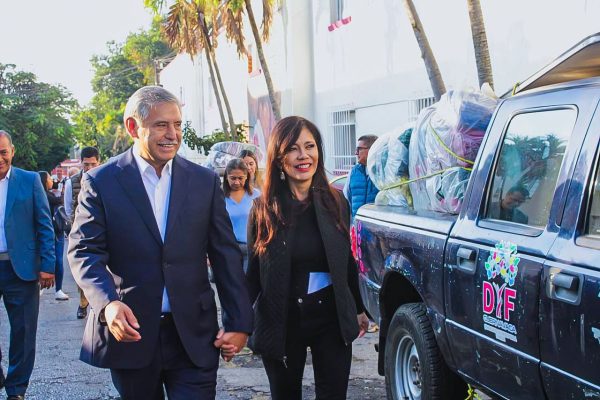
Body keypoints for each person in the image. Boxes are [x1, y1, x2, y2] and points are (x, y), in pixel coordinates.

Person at [68, 86, 253, 400]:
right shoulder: (101, 181)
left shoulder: (204, 181)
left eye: (177, 124)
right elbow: (84, 251)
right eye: (161, 125)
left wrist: (239, 322)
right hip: (132, 333)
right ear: (133, 127)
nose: (172, 134)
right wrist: (107, 304)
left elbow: (225, 255)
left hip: (194, 336)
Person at [246, 116, 369, 400]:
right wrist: (238, 324)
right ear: (279, 159)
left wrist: (359, 308)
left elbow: (345, 261)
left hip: (330, 317)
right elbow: (253, 273)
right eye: (292, 148)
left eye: (309, 146)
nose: (303, 156)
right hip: (283, 319)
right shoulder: (263, 210)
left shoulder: (336, 202)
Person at [0, 130, 55, 400]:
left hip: (20, 268)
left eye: (3, 152)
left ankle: (16, 389)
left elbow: (44, 224)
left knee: (23, 331)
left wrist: (48, 264)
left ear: (12, 151)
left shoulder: (29, 180)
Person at [64, 146, 100, 319]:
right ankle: (83, 302)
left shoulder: (106, 178)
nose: (89, 168)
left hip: (102, 231)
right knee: (83, 269)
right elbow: (68, 208)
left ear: (98, 162)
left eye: (93, 164)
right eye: (86, 164)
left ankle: (101, 305)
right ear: (81, 163)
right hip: (80, 233)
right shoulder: (72, 182)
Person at [223, 158, 261, 273]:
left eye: (240, 178)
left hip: (251, 248)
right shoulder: (219, 197)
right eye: (233, 178)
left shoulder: (256, 196)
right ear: (226, 177)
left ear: (246, 177)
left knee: (248, 281)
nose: (236, 182)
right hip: (228, 249)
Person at [38, 171, 69, 301]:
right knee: (58, 261)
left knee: (43, 260)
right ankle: (58, 289)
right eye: (50, 179)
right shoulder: (46, 195)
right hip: (55, 233)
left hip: (49, 233)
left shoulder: (40, 194)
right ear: (45, 181)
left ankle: (41, 288)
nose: (52, 181)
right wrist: (63, 191)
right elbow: (60, 200)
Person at [344, 134, 379, 220]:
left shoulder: (382, 172)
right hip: (357, 225)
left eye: (359, 149)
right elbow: (346, 200)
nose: (356, 153)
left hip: (376, 225)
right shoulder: (354, 172)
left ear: (371, 149)